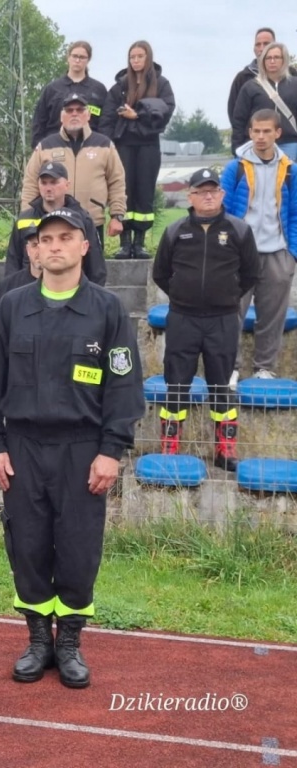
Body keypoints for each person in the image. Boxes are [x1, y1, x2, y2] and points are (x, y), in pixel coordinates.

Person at [0, 207, 145, 689]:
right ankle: (37, 641)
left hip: (82, 450)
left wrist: (111, 450)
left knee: (77, 549)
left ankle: (68, 641)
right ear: (34, 249)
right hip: (23, 449)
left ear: (85, 246)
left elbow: (124, 385)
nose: (54, 246)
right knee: (27, 546)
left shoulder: (107, 310)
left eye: (66, 238)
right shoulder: (12, 306)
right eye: (45, 239)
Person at [152, 169, 258, 471]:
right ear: (191, 196)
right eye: (201, 191)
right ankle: (170, 446)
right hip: (183, 318)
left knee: (222, 385)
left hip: (222, 320)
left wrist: (227, 295)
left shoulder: (239, 230)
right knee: (176, 384)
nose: (208, 196)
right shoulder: (175, 231)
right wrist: (182, 295)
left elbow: (251, 273)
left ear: (222, 195)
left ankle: (225, 449)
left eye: (213, 191)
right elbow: (160, 273)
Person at [223, 109, 297, 382]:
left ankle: (264, 368)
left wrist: (292, 254)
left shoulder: (290, 170)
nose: (261, 137)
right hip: (240, 253)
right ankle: (230, 366)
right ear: (249, 132)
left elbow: (296, 214)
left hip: (278, 253)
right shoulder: (236, 168)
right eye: (256, 131)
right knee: (231, 312)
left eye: (267, 131)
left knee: (272, 316)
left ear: (278, 133)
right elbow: (223, 210)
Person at [100, 41, 175, 259]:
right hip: (123, 145)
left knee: (144, 192)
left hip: (148, 145)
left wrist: (138, 115)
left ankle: (139, 242)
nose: (135, 61)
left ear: (148, 57)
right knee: (123, 191)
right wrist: (107, 145)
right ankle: (124, 243)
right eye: (132, 57)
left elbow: (166, 111)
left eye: (140, 56)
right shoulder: (120, 86)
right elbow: (107, 118)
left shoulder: (161, 84)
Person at [22, 94, 126, 250]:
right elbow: (30, 183)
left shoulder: (104, 145)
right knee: (55, 264)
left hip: (92, 222)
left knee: (93, 265)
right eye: (69, 110)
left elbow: (116, 181)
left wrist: (117, 215)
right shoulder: (45, 146)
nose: (74, 114)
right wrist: (26, 218)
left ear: (88, 115)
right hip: (53, 223)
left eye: (79, 110)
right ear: (61, 116)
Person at [9, 161, 107, 286]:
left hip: (72, 291)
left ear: (67, 185)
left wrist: (90, 294)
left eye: (54, 182)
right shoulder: (24, 219)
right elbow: (13, 261)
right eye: (44, 183)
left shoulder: (82, 219)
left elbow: (95, 266)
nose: (48, 188)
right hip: (28, 291)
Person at [31, 42, 108, 148]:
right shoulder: (52, 89)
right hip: (55, 146)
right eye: (74, 56)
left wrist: (103, 147)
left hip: (89, 147)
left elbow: (106, 123)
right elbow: (39, 122)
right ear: (68, 57)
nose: (77, 60)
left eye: (82, 57)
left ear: (88, 60)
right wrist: (38, 147)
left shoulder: (99, 89)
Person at [231, 43, 297, 160]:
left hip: (289, 143)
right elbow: (239, 120)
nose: (272, 61)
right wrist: (237, 147)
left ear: (284, 60)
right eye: (268, 58)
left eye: (276, 57)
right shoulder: (251, 87)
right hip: (257, 144)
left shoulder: (294, 85)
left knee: (287, 172)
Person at [228, 28, 279, 120]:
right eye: (258, 45)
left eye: (266, 44)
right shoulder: (243, 78)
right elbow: (234, 114)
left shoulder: (291, 76)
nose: (262, 48)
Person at [0, 223, 41, 305]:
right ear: (27, 250)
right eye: (34, 245)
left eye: (44, 244)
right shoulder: (7, 286)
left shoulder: (63, 286)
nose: (39, 251)